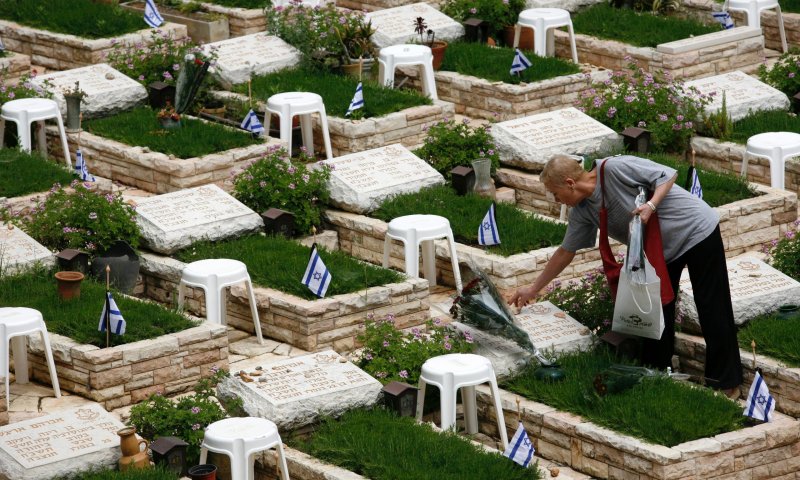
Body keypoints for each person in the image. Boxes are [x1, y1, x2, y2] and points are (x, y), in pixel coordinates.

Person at [509, 154, 743, 396]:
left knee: (712, 306)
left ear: (569, 183)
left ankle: (726, 383)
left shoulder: (614, 168)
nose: (556, 200)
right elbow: (565, 252)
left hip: (695, 229)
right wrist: (533, 289)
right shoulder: (582, 210)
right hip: (660, 250)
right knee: (654, 313)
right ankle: (657, 376)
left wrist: (651, 205)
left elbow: (667, 174)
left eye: (555, 194)